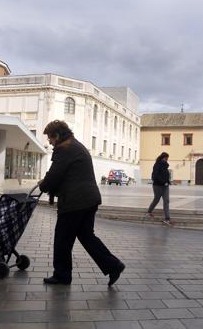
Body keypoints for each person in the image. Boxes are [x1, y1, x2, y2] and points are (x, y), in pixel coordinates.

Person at [39, 120, 125, 286]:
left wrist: (43, 185)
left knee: (62, 239)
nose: (49, 142)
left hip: (74, 202)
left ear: (57, 135)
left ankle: (62, 276)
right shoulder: (75, 145)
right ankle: (113, 265)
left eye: (50, 138)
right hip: (89, 199)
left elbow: (55, 175)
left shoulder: (64, 149)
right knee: (87, 236)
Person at [146, 152, 173, 226]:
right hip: (157, 186)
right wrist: (163, 182)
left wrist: (168, 182)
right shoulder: (157, 164)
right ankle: (149, 212)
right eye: (166, 158)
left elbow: (165, 175)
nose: (167, 159)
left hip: (165, 186)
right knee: (156, 199)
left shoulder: (165, 166)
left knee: (166, 201)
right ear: (163, 157)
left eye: (167, 158)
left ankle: (167, 219)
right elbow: (155, 176)